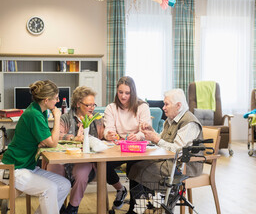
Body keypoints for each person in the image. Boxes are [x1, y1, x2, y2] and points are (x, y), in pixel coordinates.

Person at [0, 80, 71, 214]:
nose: (58, 101)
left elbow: (48, 139)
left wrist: (45, 140)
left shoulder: (39, 111)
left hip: (27, 166)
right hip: (12, 169)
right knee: (50, 188)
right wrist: (57, 117)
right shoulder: (34, 114)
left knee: (64, 185)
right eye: (56, 98)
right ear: (46, 100)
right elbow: (53, 142)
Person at [126, 88, 203, 214]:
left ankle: (150, 204)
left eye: (166, 104)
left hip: (183, 166)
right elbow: (163, 140)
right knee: (134, 163)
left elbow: (178, 150)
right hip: (170, 161)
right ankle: (143, 205)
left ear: (178, 106)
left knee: (139, 167)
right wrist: (151, 132)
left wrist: (156, 139)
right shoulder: (171, 120)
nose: (163, 107)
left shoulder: (189, 123)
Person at [46, 86, 104, 214]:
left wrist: (108, 135)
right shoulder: (65, 118)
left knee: (82, 174)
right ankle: (58, 206)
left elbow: (102, 136)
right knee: (52, 169)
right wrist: (73, 137)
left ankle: (73, 208)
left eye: (93, 105)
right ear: (78, 104)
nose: (92, 108)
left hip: (85, 160)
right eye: (88, 105)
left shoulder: (96, 119)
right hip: (63, 158)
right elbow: (57, 135)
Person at [104, 76, 152, 209]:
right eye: (120, 92)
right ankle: (121, 189)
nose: (123, 96)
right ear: (116, 92)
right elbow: (108, 129)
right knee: (102, 166)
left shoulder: (142, 107)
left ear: (133, 93)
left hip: (138, 148)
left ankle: (134, 207)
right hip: (119, 148)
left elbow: (146, 131)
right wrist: (108, 134)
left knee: (134, 168)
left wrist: (138, 136)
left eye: (127, 93)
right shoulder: (111, 108)